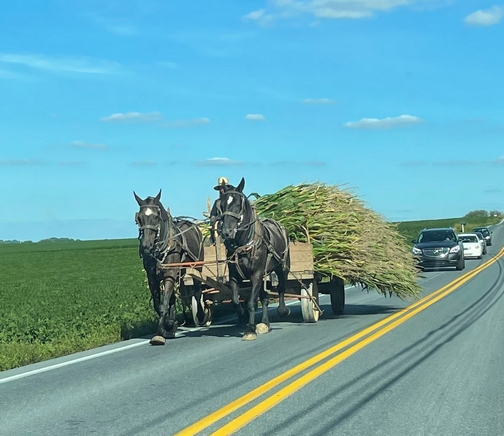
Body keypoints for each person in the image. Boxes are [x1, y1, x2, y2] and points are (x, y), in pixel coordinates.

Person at [209, 177, 231, 243]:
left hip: (231, 220)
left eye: (223, 187)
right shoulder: (217, 202)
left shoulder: (232, 201)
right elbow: (213, 213)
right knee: (215, 225)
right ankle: (216, 241)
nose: (222, 190)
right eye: (220, 188)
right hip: (220, 221)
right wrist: (213, 218)